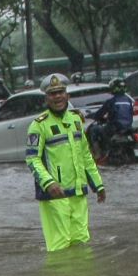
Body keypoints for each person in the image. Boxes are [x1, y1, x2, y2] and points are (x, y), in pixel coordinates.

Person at [26, 75, 105, 252]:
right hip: (55, 196)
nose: (58, 97)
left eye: (61, 92)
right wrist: (48, 183)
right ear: (46, 98)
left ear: (67, 95)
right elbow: (32, 159)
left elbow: (85, 155)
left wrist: (97, 184)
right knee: (59, 247)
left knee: (82, 244)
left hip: (78, 193)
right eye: (52, 94)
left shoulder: (76, 120)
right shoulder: (39, 125)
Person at [86, 77, 135, 152]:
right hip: (128, 128)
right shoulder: (129, 100)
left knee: (94, 130)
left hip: (114, 128)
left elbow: (99, 114)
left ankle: (97, 153)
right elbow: (130, 113)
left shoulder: (111, 101)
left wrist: (91, 116)